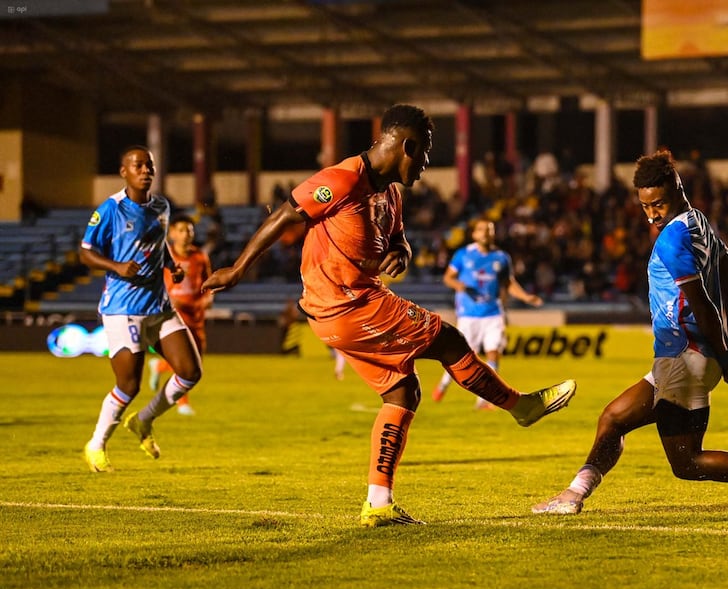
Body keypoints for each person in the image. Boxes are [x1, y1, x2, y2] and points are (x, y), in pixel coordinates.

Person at [202, 104, 576, 527]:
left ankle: (378, 503)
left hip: (345, 308)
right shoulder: (342, 179)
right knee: (448, 339)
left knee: (403, 393)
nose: (427, 163)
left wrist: (401, 251)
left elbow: (398, 240)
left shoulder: (391, 195)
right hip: (346, 303)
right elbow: (287, 214)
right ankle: (520, 406)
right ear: (408, 147)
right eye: (426, 152)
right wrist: (237, 270)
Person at [532, 149, 728, 515]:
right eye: (645, 207)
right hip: (689, 357)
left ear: (677, 189)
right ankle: (572, 496)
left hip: (684, 357)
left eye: (658, 204)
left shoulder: (672, 240)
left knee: (686, 461)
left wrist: (726, 353)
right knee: (614, 419)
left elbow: (701, 302)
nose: (651, 215)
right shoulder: (698, 223)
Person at [79, 145, 203, 473]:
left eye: (149, 165)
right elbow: (85, 252)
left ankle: (143, 421)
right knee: (129, 385)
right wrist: (116, 266)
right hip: (123, 309)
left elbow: (158, 243)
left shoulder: (161, 206)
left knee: (190, 372)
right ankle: (96, 444)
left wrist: (172, 265)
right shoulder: (110, 210)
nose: (145, 170)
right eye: (138, 165)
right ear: (124, 172)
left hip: (158, 304)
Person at [432, 218, 543, 409]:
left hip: (493, 313)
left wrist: (525, 297)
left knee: (494, 353)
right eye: (482, 229)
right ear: (474, 234)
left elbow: (508, 283)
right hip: (468, 315)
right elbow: (448, 278)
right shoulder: (463, 255)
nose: (486, 232)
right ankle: (443, 385)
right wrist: (459, 285)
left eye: (489, 229)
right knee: (462, 357)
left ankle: (484, 401)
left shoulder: (501, 257)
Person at [148, 214, 212, 416]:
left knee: (196, 363)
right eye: (182, 230)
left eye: (189, 230)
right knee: (184, 362)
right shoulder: (163, 256)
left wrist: (208, 298)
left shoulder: (200, 257)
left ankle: (159, 366)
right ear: (172, 233)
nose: (186, 234)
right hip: (173, 314)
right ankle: (182, 403)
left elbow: (209, 283)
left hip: (195, 313)